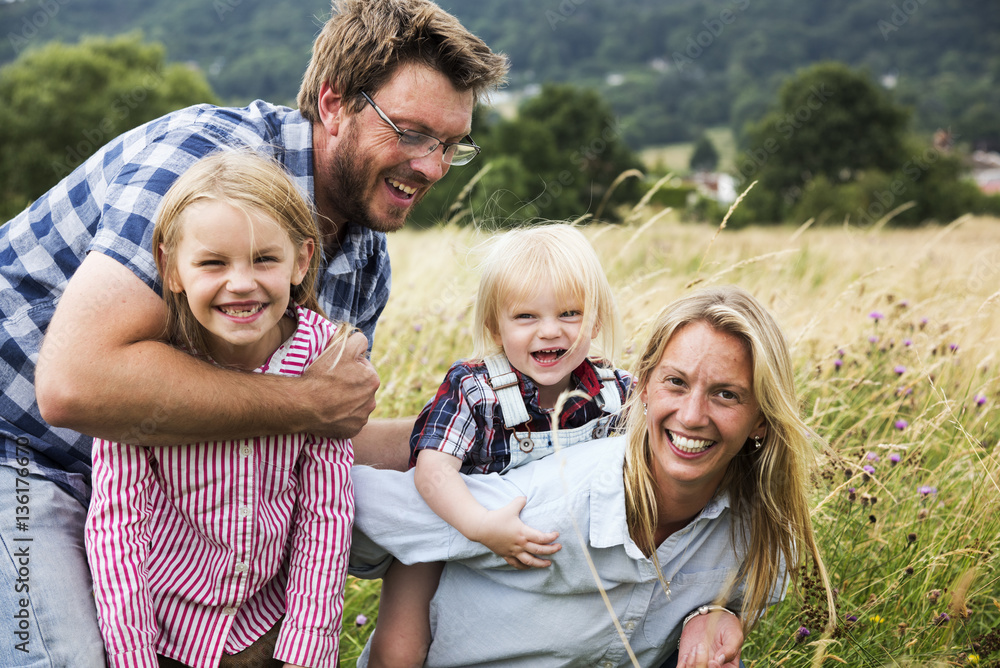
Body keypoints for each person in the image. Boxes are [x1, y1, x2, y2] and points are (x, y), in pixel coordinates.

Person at [0, 1, 507, 666]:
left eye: (449, 144)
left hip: (155, 491)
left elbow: (325, 431)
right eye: (410, 133)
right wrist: (308, 406)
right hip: (25, 457)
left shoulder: (362, 258)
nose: (434, 167)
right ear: (333, 104)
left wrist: (471, 432)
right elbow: (72, 386)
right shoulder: (205, 169)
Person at [350, 285, 836, 668]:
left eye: (726, 394)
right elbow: (357, 508)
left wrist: (721, 616)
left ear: (762, 420)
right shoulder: (546, 499)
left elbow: (751, 591)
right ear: (642, 387)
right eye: (676, 382)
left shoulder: (760, 531)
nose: (691, 415)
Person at [85, 151, 355, 668]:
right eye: (213, 262)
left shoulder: (322, 356)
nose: (241, 283)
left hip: (268, 620)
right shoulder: (147, 365)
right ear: (171, 267)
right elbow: (115, 525)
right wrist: (132, 658)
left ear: (301, 260)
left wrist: (308, 649)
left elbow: (326, 514)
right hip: (165, 626)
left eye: (264, 259)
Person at [368, 224, 632, 667]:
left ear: (597, 319)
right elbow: (432, 470)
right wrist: (479, 525)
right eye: (526, 317)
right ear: (496, 325)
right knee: (405, 621)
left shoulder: (614, 392)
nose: (550, 332)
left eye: (570, 314)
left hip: (550, 539)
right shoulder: (476, 388)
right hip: (455, 520)